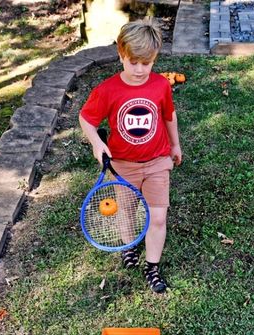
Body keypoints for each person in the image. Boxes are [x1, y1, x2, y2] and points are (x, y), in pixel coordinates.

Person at [79, 20, 182, 293]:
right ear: (121, 54)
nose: (139, 70)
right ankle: (128, 247)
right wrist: (96, 144)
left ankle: (152, 266)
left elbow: (169, 116)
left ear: (155, 58)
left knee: (158, 216)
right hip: (123, 165)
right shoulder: (107, 90)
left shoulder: (160, 85)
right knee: (126, 210)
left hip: (158, 161)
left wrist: (175, 145)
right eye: (133, 61)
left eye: (146, 63)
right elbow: (87, 119)